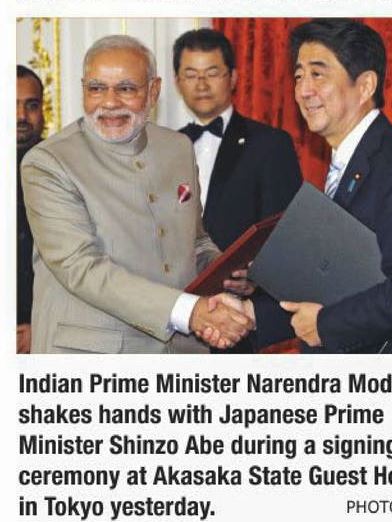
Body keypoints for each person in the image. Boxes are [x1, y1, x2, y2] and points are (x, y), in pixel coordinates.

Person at [207, 19, 392, 354]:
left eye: (318, 74)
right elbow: (334, 285)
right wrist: (250, 314)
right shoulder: (348, 162)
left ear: (365, 86)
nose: (303, 90)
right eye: (298, 76)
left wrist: (325, 325)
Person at [21, 35, 253, 354]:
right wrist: (190, 312)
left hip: (183, 353)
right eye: (96, 88)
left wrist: (227, 273)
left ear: (154, 91)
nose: (110, 102)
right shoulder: (49, 162)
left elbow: (195, 241)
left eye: (126, 88)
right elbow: (80, 266)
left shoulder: (178, 148)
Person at [174, 28, 302, 353]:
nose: (201, 84)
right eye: (191, 74)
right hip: (173, 320)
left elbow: (286, 233)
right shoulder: (164, 148)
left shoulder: (270, 145)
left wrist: (257, 278)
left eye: (212, 73)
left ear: (232, 78)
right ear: (177, 82)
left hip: (236, 320)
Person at [17, 65, 44, 353]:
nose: (21, 116)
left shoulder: (67, 169)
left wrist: (42, 324)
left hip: (47, 334)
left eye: (31, 105)